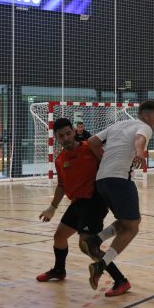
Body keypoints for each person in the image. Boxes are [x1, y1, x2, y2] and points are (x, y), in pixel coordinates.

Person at [36, 117, 130, 297]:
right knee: (59, 238)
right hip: (77, 203)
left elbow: (111, 165)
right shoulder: (60, 159)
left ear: (74, 132)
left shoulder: (90, 148)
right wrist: (52, 207)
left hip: (95, 202)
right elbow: (62, 185)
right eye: (61, 136)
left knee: (87, 245)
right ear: (56, 138)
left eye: (68, 133)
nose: (66, 138)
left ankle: (121, 280)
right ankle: (59, 270)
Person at [81, 100, 154, 290]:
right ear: (146, 116)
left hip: (102, 180)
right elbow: (139, 140)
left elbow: (92, 142)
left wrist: (104, 158)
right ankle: (100, 264)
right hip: (119, 180)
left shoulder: (118, 124)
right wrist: (140, 152)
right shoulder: (144, 127)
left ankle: (96, 240)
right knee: (133, 228)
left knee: (128, 222)